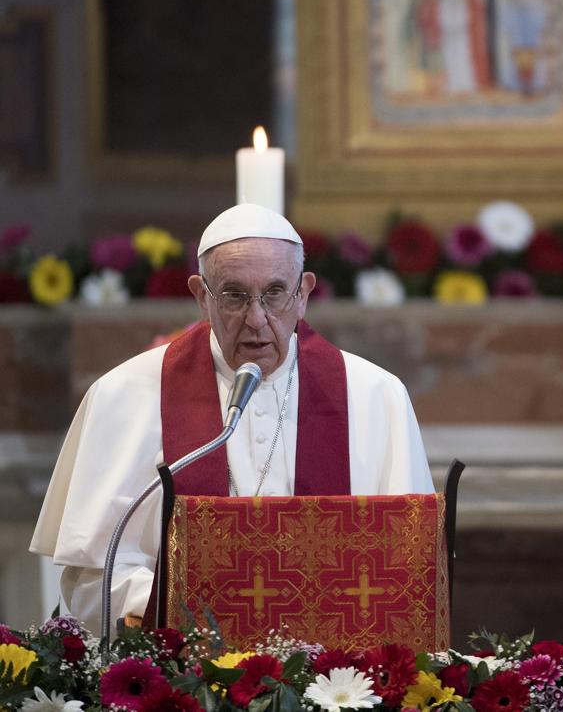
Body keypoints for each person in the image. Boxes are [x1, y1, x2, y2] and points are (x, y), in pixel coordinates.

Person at [29, 204, 434, 635]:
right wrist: (198, 616)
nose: (256, 319)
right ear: (201, 296)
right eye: (234, 296)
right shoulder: (123, 395)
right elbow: (94, 574)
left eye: (275, 293)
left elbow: (407, 570)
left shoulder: (374, 395)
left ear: (304, 294)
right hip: (183, 674)